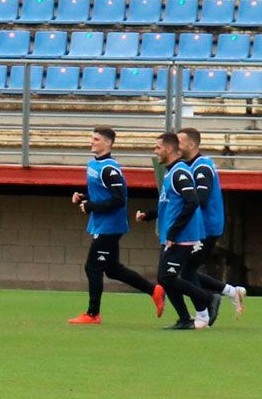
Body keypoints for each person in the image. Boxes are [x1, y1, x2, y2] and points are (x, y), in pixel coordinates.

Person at [66, 126, 165, 325]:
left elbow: (119, 200)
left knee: (92, 267)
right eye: (92, 138)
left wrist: (91, 206)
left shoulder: (110, 169)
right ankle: (154, 290)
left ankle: (93, 314)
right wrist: (83, 197)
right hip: (102, 224)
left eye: (96, 139)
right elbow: (101, 194)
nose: (91, 142)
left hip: (110, 226)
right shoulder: (93, 165)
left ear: (108, 143)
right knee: (112, 269)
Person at [136, 132, 216, 330]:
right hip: (173, 235)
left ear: (169, 149)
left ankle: (207, 298)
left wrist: (173, 233)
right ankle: (185, 318)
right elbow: (170, 204)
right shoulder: (171, 172)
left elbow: (193, 202)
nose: (156, 152)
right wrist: (149, 215)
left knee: (166, 278)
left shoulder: (180, 172)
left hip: (183, 236)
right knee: (166, 278)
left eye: (158, 148)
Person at [178, 127, 246, 318]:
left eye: (180, 142)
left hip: (205, 228)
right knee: (185, 270)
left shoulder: (202, 167)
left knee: (184, 271)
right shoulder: (190, 166)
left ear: (191, 145)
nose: (176, 146)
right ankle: (230, 292)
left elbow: (202, 198)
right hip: (199, 227)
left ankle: (207, 307)